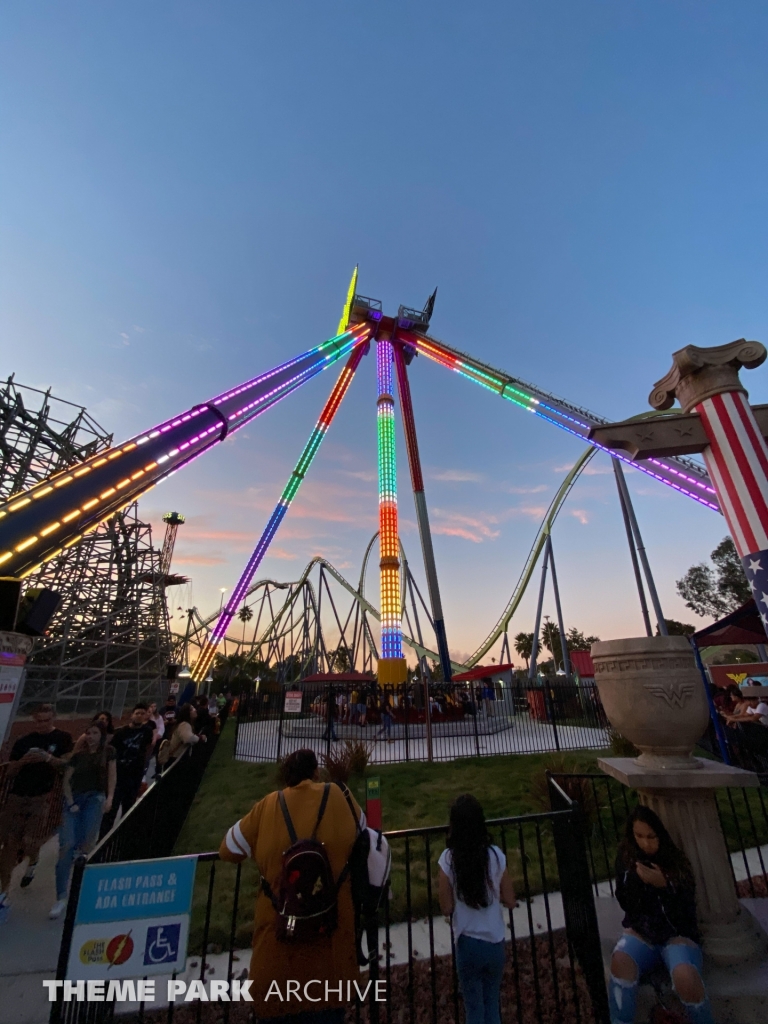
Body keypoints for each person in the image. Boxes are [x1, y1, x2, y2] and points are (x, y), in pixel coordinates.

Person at [218, 748, 361, 1022]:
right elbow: (367, 836)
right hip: (331, 964)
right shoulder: (339, 797)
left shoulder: (267, 806)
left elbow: (228, 849)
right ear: (316, 773)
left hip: (277, 963)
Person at [609, 805, 713, 1024]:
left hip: (677, 935)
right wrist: (637, 882)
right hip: (642, 932)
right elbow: (626, 901)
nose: (645, 843)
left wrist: (665, 885)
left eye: (651, 836)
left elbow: (685, 910)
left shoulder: (675, 861)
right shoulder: (627, 858)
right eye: (639, 836)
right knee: (620, 960)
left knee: (686, 977)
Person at [438, 795, 516, 1024]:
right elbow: (510, 899)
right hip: (495, 942)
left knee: (473, 1007)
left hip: (468, 943)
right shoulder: (495, 856)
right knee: (492, 1003)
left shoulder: (449, 859)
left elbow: (445, 907)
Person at [0, 704, 73, 917]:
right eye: (39, 720)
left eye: (47, 720)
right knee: (10, 843)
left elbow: (67, 765)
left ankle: (32, 861)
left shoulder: (62, 738)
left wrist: (47, 758)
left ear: (53, 718)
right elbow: (11, 769)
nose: (43, 725)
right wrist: (24, 761)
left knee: (31, 841)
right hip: (18, 795)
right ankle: (4, 891)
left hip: (43, 797)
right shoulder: (24, 741)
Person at [50, 722, 116, 919]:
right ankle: (61, 896)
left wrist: (110, 797)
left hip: (95, 798)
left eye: (95, 733)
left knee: (86, 844)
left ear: (102, 735)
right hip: (75, 799)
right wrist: (70, 802)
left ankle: (80, 891)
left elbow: (112, 775)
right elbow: (67, 781)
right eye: (88, 733)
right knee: (66, 845)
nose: (90, 736)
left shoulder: (108, 752)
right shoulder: (78, 755)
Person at [98, 703, 154, 837]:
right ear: (132, 715)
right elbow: (111, 751)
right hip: (119, 776)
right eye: (137, 713)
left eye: (142, 713)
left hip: (134, 777)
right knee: (111, 811)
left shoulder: (147, 731)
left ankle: (123, 837)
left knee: (128, 809)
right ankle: (102, 840)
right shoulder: (121, 733)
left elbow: (147, 747)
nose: (139, 716)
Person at [162, 702, 207, 768]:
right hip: (177, 760)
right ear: (187, 713)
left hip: (177, 759)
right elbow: (189, 738)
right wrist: (200, 737)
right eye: (192, 709)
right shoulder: (184, 725)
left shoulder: (184, 724)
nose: (195, 710)